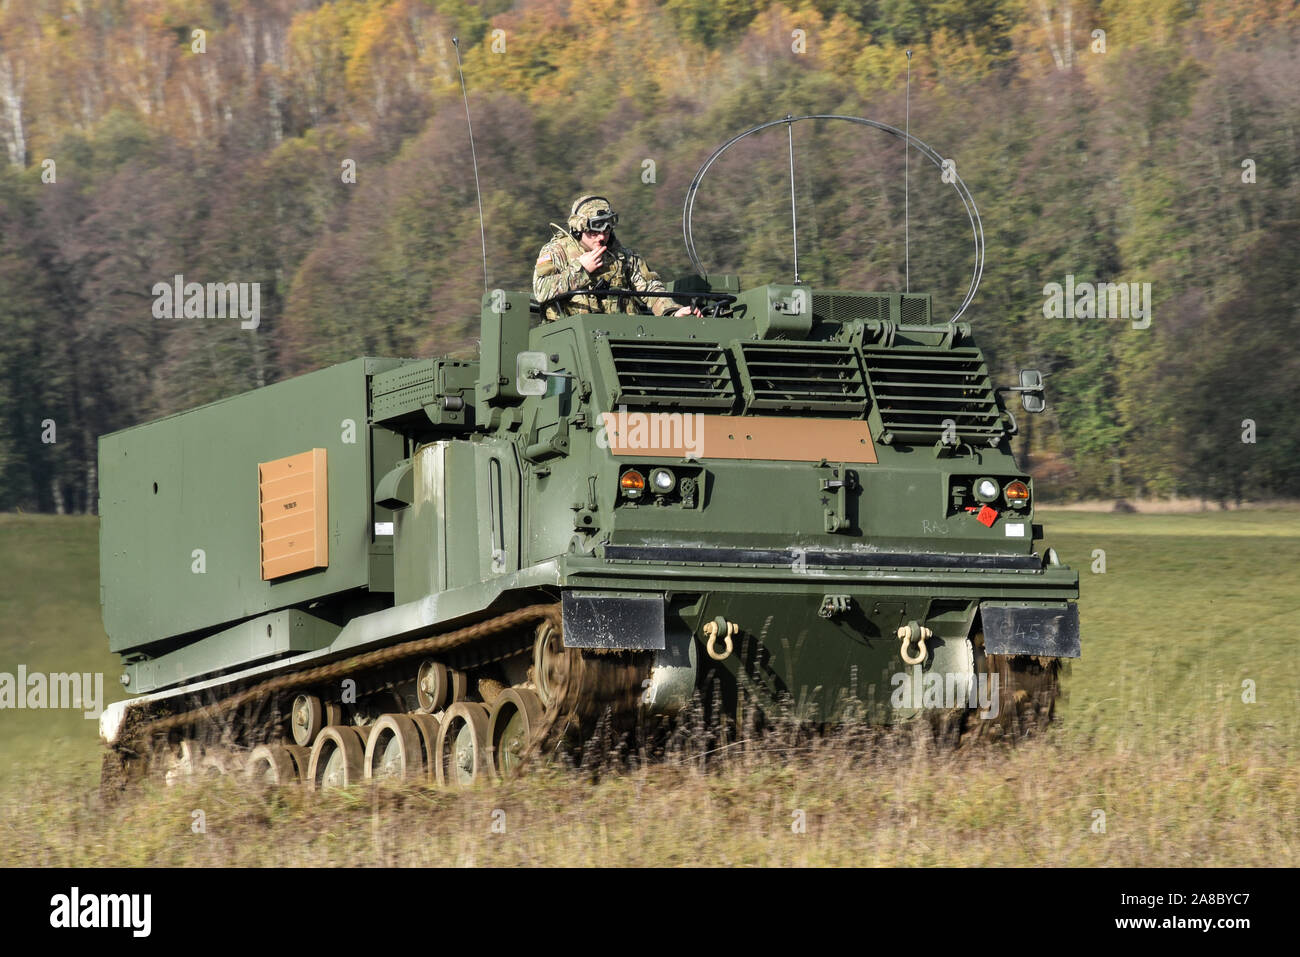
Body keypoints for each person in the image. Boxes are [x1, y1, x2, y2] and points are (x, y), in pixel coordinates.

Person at [533, 195, 702, 321]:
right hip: (573, 338)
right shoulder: (557, 252)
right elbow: (541, 290)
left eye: (606, 231)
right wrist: (581, 270)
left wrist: (672, 311)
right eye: (594, 232)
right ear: (578, 229)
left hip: (622, 336)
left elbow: (651, 289)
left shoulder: (624, 258)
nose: (601, 237)